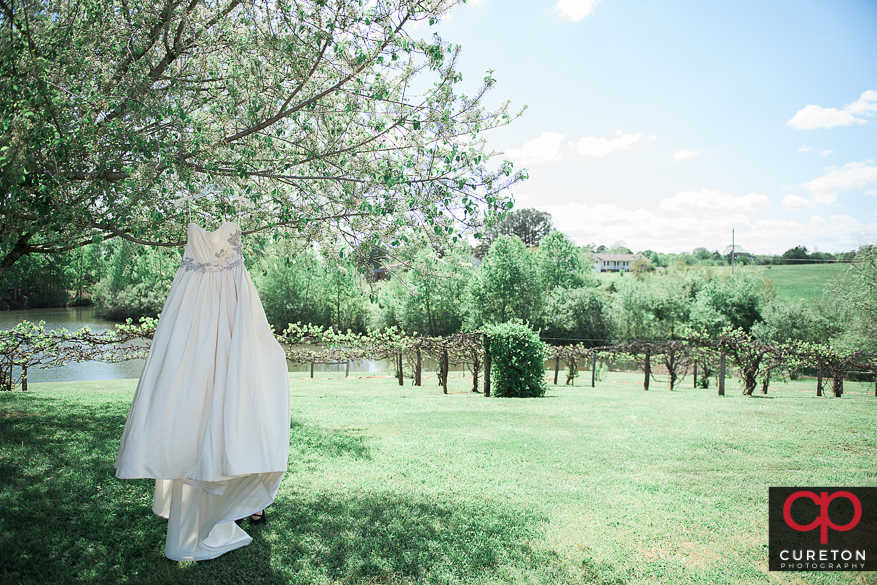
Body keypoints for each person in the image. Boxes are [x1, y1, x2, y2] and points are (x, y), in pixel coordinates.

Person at [115, 221, 290, 561]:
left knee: (230, 405)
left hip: (223, 322)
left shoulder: (221, 237)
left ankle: (233, 502)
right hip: (196, 321)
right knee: (198, 410)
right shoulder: (205, 225)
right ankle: (230, 506)